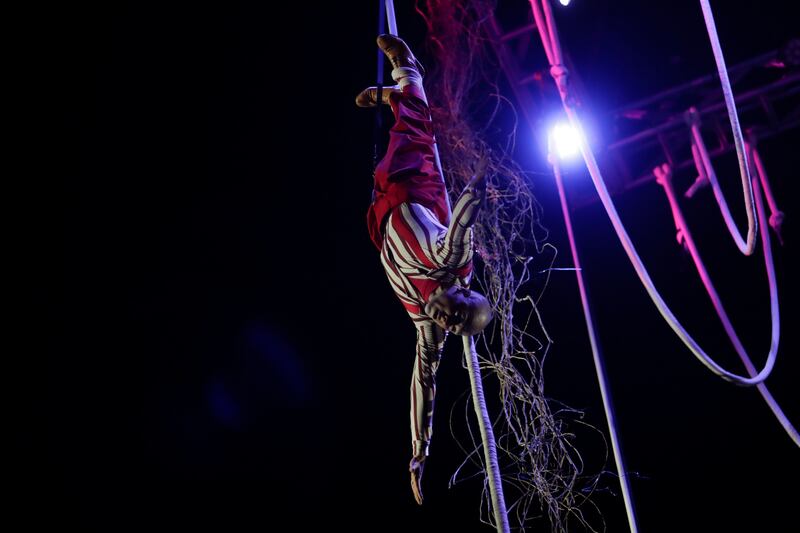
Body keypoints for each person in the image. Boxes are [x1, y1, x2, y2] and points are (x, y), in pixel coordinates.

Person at [356, 34, 494, 505]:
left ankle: (395, 102)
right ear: (461, 294)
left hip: (382, 217)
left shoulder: (426, 326)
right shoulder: (452, 263)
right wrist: (475, 188)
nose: (448, 323)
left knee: (384, 155)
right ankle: (408, 71)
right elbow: (460, 228)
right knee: (415, 134)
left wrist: (419, 451)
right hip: (418, 192)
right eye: (458, 314)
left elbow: (426, 383)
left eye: (453, 328)